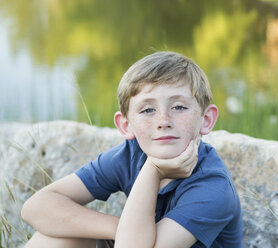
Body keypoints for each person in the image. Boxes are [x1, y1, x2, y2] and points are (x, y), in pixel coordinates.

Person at [21, 51, 243, 248]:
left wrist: (153, 170)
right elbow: (35, 208)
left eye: (178, 107)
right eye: (148, 110)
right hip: (132, 240)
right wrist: (120, 227)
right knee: (57, 238)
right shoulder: (129, 154)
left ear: (206, 119)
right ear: (126, 125)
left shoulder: (213, 188)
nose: (163, 121)